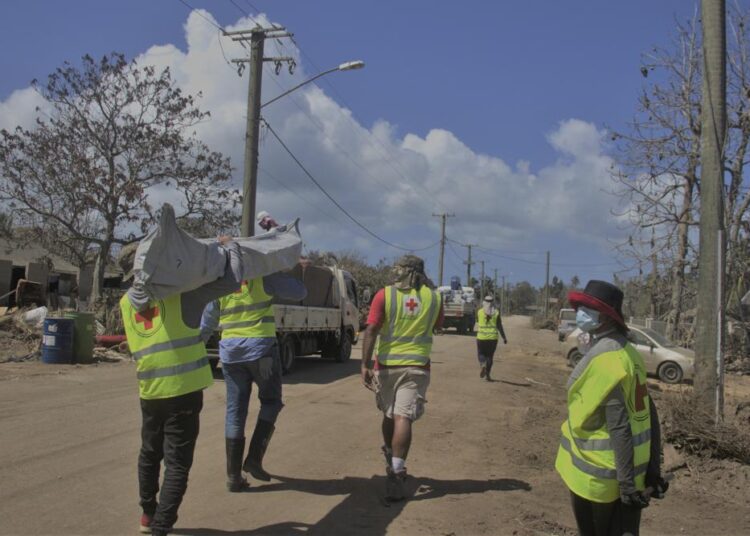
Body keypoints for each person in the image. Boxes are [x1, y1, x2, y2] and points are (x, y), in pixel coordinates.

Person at [119, 236, 243, 536]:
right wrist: (231, 248)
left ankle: (148, 516)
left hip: (150, 390)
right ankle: (161, 526)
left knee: (149, 453)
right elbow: (233, 281)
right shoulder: (181, 295)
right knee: (177, 464)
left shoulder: (124, 303)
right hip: (183, 391)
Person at [554, 280, 669, 536]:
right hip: (630, 473)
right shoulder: (630, 353)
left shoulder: (606, 361)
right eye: (581, 306)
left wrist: (627, 486)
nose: (581, 312)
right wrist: (652, 472)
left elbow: (620, 426)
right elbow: (649, 414)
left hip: (600, 477)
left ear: (606, 317)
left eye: (587, 308)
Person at [200, 271, 306, 492]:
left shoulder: (220, 282)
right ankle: (254, 459)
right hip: (262, 353)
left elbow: (206, 324)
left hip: (230, 354)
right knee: (271, 402)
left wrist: (191, 348)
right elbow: (299, 292)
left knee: (235, 412)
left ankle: (233, 476)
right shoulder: (263, 277)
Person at [360, 255, 443, 501]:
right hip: (418, 366)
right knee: (402, 416)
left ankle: (392, 461)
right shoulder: (435, 297)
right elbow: (438, 326)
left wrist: (364, 364)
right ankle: (396, 467)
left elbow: (372, 328)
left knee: (391, 414)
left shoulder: (383, 295)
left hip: (386, 366)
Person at [475, 295, 507, 381]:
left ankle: (482, 364)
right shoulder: (496, 312)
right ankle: (488, 375)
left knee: (481, 354)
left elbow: (478, 321)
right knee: (490, 356)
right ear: (493, 303)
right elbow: (499, 326)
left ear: (484, 302)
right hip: (493, 339)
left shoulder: (479, 312)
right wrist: (504, 338)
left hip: (481, 337)